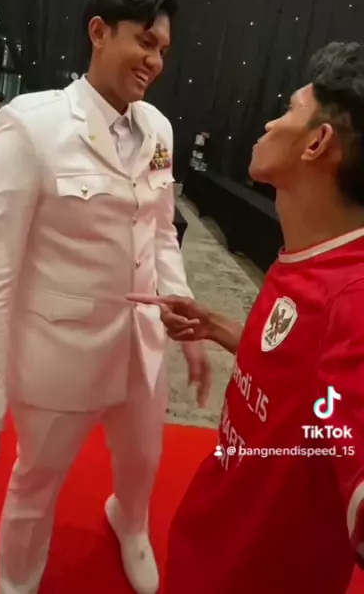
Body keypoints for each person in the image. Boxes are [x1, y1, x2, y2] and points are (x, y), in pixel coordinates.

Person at [0, 0, 209, 594]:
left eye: (163, 50)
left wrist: (186, 316)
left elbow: (160, 230)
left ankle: (130, 522)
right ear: (99, 32)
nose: (154, 61)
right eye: (144, 41)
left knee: (143, 461)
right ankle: (16, 581)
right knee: (37, 481)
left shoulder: (159, 129)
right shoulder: (31, 126)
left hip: (142, 347)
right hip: (60, 351)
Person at [132, 41, 364, 594]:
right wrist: (218, 327)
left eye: (288, 109)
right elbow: (304, 377)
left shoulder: (353, 300)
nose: (269, 122)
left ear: (317, 142)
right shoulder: (309, 254)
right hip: (213, 534)